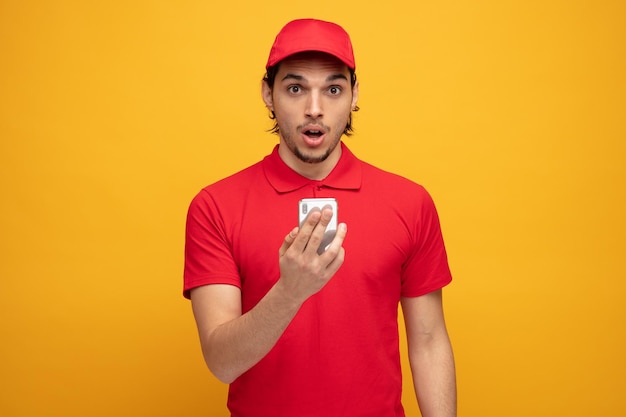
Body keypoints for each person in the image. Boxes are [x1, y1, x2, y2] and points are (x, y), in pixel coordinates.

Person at [183, 18, 456, 417]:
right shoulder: (215, 207)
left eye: (332, 89)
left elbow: (429, 339)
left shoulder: (409, 202)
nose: (315, 109)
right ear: (268, 94)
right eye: (296, 89)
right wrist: (290, 292)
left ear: (354, 94)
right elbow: (222, 363)